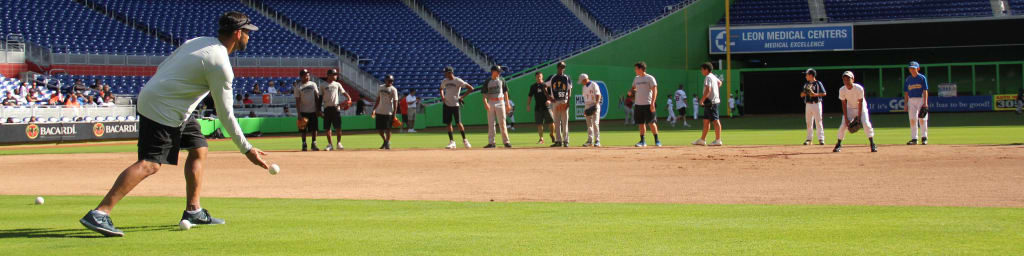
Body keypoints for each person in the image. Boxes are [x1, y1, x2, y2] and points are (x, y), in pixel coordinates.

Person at [79, 11, 268, 237]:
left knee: (199, 149)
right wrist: (246, 149)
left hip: (171, 104)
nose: (249, 36)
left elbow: (165, 66)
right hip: (164, 108)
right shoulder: (220, 64)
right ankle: (100, 212)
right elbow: (225, 114)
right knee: (151, 163)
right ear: (238, 34)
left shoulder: (198, 42)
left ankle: (193, 211)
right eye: (247, 32)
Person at [833, 71, 877, 153]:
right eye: (844, 79)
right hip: (849, 109)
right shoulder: (842, 90)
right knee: (843, 126)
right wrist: (846, 118)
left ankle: (872, 144)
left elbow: (860, 103)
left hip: (861, 108)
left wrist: (859, 118)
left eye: (848, 78)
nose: (846, 81)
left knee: (866, 124)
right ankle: (838, 144)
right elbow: (843, 104)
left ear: (853, 79)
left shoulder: (859, 88)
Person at [439, 66, 474, 149]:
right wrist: (442, 97)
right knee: (449, 123)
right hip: (447, 104)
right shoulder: (445, 81)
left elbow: (471, 88)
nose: (444, 74)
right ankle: (452, 142)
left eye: (446, 72)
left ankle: (465, 140)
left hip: (455, 104)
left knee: (459, 123)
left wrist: (462, 97)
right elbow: (441, 89)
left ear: (450, 72)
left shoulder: (458, 80)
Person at [631, 61, 661, 147]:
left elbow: (655, 90)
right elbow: (633, 88)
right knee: (641, 123)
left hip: (648, 104)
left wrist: (652, 103)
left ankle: (657, 141)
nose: (635, 70)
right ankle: (642, 141)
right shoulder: (636, 78)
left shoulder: (650, 78)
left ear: (641, 69)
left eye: (636, 69)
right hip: (638, 104)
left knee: (651, 123)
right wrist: (631, 92)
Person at [320, 68, 351, 151]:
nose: (335, 76)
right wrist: (319, 110)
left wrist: (349, 98)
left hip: (336, 108)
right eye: (334, 74)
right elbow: (319, 98)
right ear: (329, 75)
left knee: (338, 127)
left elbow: (343, 92)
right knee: (327, 128)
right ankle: (330, 144)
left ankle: (339, 143)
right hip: (327, 108)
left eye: (336, 74)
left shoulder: (337, 84)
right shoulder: (323, 85)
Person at [693, 62, 723, 146]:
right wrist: (715, 89)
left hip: (711, 103)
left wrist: (702, 100)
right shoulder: (713, 76)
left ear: (706, 69)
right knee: (706, 121)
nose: (701, 71)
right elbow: (720, 83)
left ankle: (718, 140)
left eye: (702, 69)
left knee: (715, 121)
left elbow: (708, 90)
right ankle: (702, 140)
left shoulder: (708, 77)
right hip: (711, 102)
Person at [482, 65, 512, 148]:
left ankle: (506, 142)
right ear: (493, 71)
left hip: (500, 102)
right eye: (498, 71)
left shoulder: (502, 79)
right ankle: (491, 143)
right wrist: (485, 103)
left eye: (499, 72)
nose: (499, 73)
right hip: (491, 102)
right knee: (491, 123)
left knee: (502, 123)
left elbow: (505, 93)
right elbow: (484, 94)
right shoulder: (488, 81)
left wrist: (507, 104)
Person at [546, 62, 572, 147]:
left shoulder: (567, 77)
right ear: (557, 67)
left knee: (565, 122)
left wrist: (568, 102)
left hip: (564, 101)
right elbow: (543, 86)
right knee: (557, 122)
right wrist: (549, 97)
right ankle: (558, 141)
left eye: (563, 67)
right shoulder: (552, 77)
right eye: (561, 67)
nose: (562, 69)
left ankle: (566, 141)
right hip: (555, 101)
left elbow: (569, 90)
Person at [294, 69, 321, 151]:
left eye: (308, 75)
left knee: (314, 129)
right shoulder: (298, 87)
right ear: (301, 77)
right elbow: (297, 101)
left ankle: (314, 143)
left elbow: (317, 97)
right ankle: (304, 144)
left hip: (313, 110)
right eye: (305, 75)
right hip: (303, 111)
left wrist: (318, 109)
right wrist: (299, 113)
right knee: (303, 129)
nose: (307, 77)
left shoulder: (313, 84)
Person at [904, 61, 929, 145]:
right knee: (912, 119)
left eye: (913, 68)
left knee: (922, 119)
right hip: (911, 100)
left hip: (920, 99)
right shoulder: (908, 79)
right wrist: (906, 103)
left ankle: (924, 138)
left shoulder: (922, 78)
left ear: (918, 68)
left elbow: (925, 91)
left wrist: (925, 103)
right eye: (910, 68)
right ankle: (914, 139)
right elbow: (906, 92)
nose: (912, 70)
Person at [526, 72, 555, 144]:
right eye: (537, 76)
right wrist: (528, 105)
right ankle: (541, 139)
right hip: (538, 108)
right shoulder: (533, 86)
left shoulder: (546, 85)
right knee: (539, 124)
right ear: (535, 77)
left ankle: (552, 134)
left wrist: (549, 100)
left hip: (547, 107)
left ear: (542, 76)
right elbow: (530, 96)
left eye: (540, 76)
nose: (539, 78)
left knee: (551, 123)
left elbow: (552, 95)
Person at [372, 75, 399, 150]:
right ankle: (385, 141)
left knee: (388, 129)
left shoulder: (393, 89)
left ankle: (387, 143)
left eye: (391, 81)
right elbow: (378, 98)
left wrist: (394, 113)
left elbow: (395, 101)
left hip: (388, 112)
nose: (390, 82)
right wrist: (374, 109)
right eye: (389, 80)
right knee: (379, 130)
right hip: (379, 111)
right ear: (385, 80)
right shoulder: (381, 87)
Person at [801, 68, 826, 145]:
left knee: (818, 121)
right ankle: (809, 139)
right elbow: (801, 95)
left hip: (817, 104)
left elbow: (824, 93)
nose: (806, 76)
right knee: (808, 122)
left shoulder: (818, 83)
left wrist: (815, 94)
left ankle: (821, 139)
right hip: (808, 104)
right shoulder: (806, 84)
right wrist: (806, 92)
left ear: (811, 75)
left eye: (807, 75)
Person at [580, 74, 602, 147]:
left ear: (585, 79)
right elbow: (585, 99)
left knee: (595, 123)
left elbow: (598, 94)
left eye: (581, 81)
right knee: (589, 124)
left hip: (594, 104)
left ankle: (597, 140)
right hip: (587, 105)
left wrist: (596, 104)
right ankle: (590, 140)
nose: (581, 82)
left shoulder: (593, 84)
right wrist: (585, 109)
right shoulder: (583, 87)